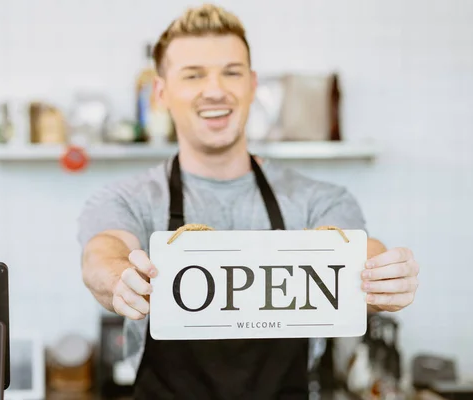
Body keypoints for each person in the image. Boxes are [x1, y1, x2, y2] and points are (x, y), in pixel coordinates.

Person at [78, 4, 420, 399]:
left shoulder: (317, 200)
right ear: (161, 92)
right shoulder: (127, 199)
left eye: (232, 72)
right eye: (193, 75)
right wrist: (122, 280)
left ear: (252, 84)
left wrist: (382, 277)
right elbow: (103, 254)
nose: (215, 90)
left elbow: (360, 253)